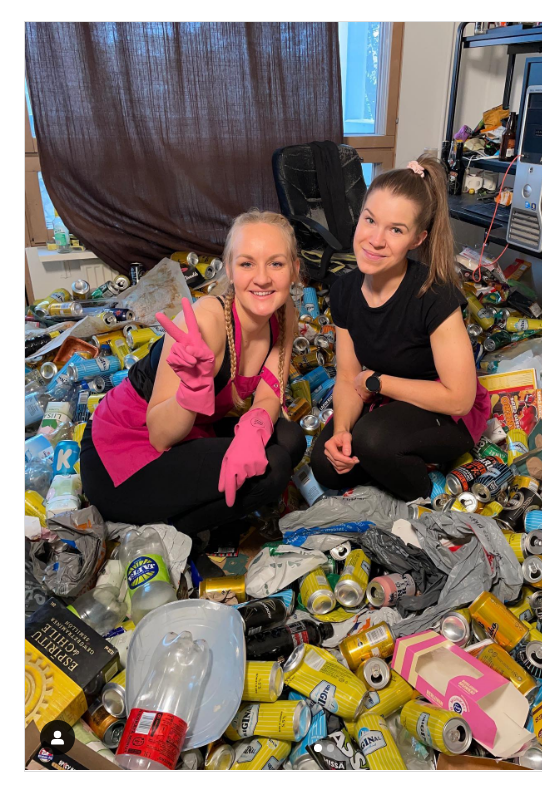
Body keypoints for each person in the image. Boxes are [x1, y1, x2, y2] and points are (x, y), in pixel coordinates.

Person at [81, 210, 303, 548]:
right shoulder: (206, 323)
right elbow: (159, 436)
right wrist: (189, 392)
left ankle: (189, 509)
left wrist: (253, 431)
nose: (262, 278)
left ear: (294, 270)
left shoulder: (284, 314)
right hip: (123, 453)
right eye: (247, 264)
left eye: (276, 264)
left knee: (291, 438)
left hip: (194, 432)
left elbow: (270, 393)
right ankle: (170, 530)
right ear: (230, 270)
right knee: (273, 468)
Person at [309, 155, 490, 501]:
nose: (375, 240)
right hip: (387, 404)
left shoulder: (434, 295)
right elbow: (347, 377)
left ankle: (428, 496)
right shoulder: (344, 291)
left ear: (417, 239)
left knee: (373, 440)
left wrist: (377, 381)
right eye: (370, 220)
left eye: (396, 230)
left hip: (445, 410)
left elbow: (460, 398)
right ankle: (394, 459)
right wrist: (342, 429)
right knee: (326, 464)